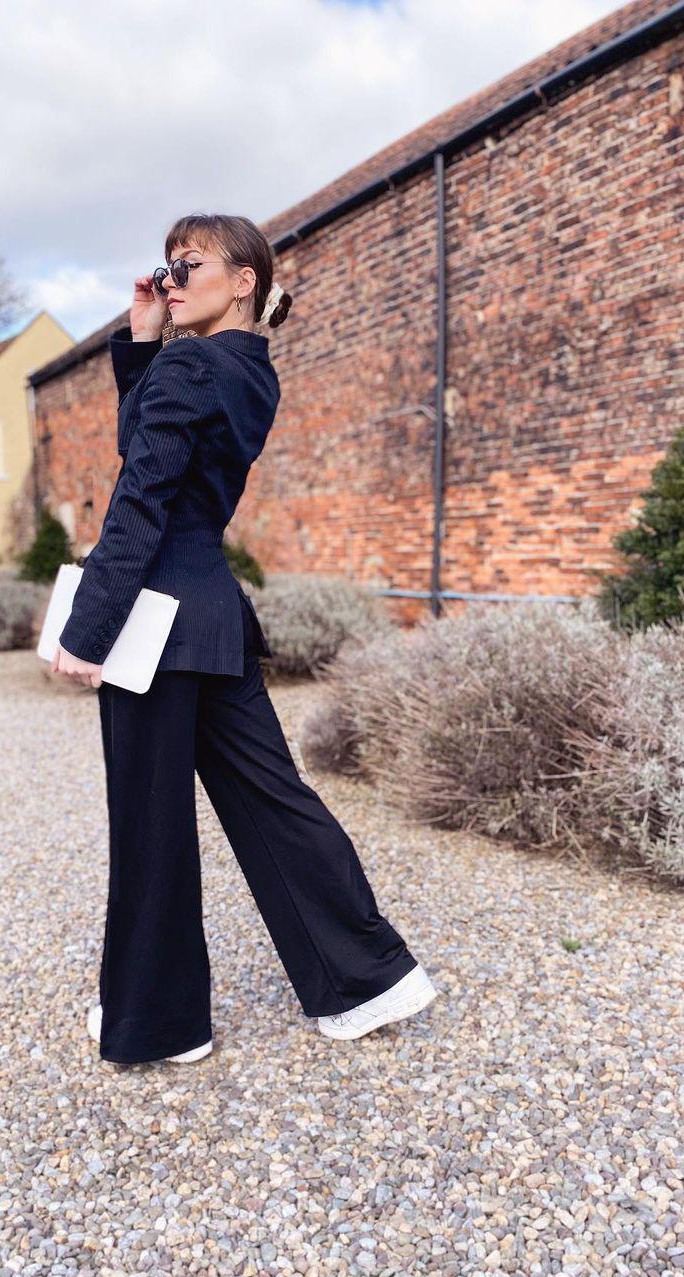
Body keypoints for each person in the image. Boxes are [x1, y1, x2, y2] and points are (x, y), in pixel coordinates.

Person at [50, 212, 436, 1064]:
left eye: (190, 265)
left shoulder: (191, 364)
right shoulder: (248, 366)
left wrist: (88, 629)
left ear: (245, 279)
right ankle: (371, 979)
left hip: (155, 620)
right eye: (167, 264)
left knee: (150, 826)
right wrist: (144, 339)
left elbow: (140, 496)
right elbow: (159, 449)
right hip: (212, 615)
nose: (172, 277)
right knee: (273, 799)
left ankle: (161, 1024)